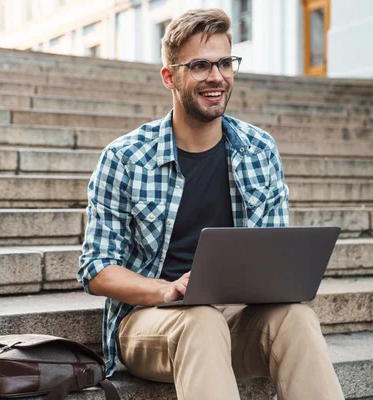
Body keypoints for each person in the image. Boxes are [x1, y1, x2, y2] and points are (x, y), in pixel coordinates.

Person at [77, 8, 345, 400]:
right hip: (151, 326)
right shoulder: (125, 158)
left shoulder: (258, 150)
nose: (216, 77)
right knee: (200, 320)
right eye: (200, 65)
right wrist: (165, 290)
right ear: (170, 76)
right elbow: (96, 269)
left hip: (234, 320)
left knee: (297, 318)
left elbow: (275, 253)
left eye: (224, 63)